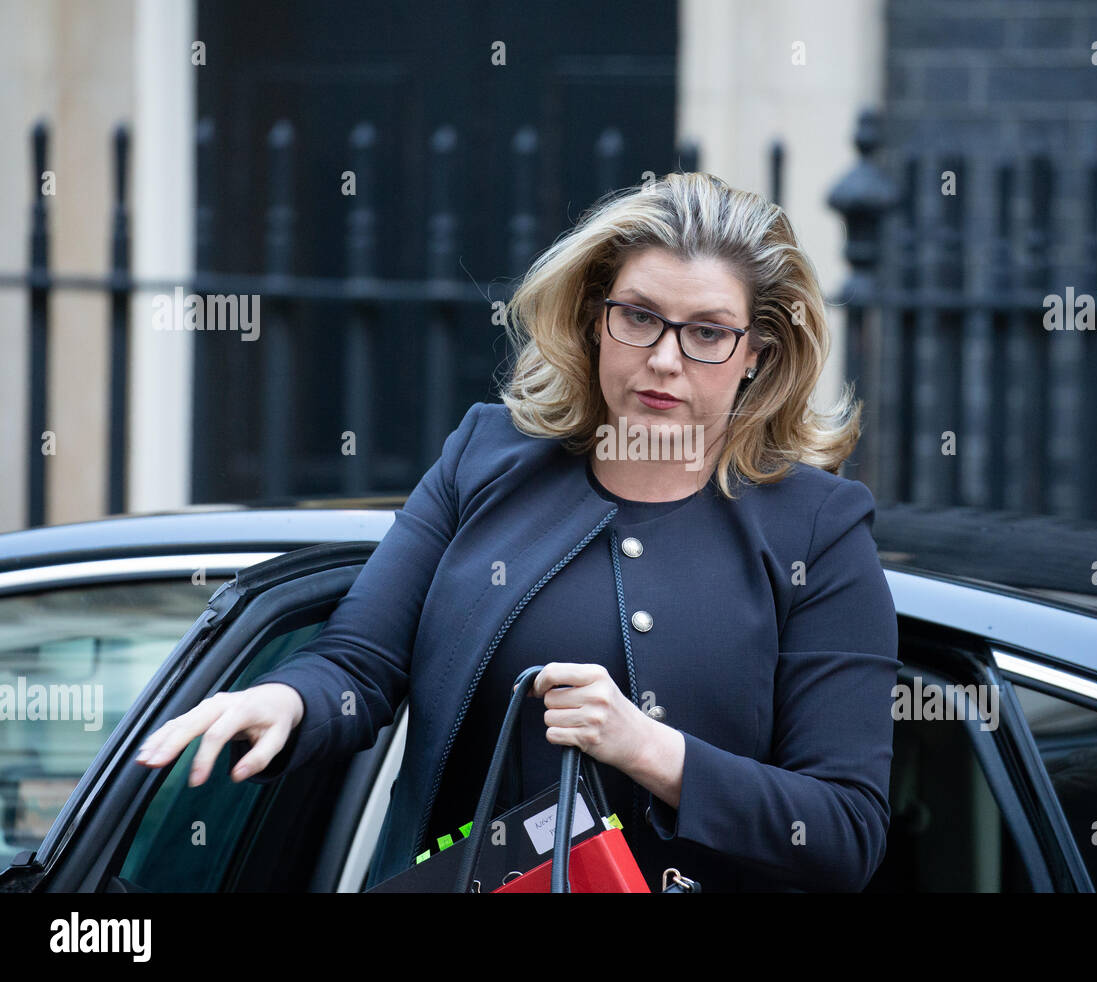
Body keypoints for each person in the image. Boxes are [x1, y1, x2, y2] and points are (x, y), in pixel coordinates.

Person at [135, 172, 900, 892]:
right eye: (638, 317)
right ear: (596, 319)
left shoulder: (816, 528)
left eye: (708, 332)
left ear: (756, 358)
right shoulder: (486, 456)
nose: (665, 359)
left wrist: (648, 750)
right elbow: (359, 662)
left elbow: (844, 829)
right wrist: (285, 700)